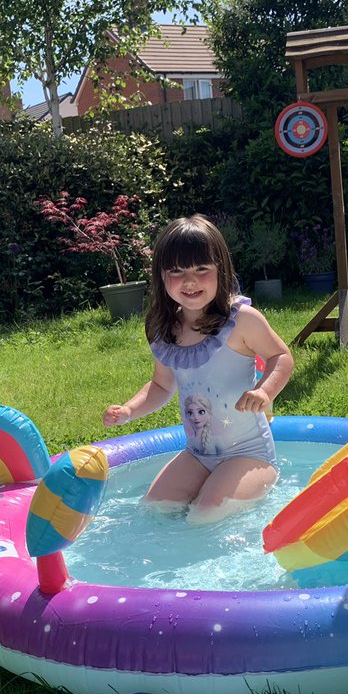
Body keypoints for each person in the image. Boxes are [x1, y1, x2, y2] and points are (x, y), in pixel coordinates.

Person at [103, 214, 294, 524]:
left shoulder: (241, 320)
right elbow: (162, 386)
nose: (189, 281)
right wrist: (129, 410)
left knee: (205, 515)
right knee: (154, 509)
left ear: (222, 270)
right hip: (198, 454)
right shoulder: (163, 329)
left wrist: (265, 391)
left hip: (248, 454)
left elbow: (281, 357)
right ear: (161, 277)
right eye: (176, 271)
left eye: (201, 269)